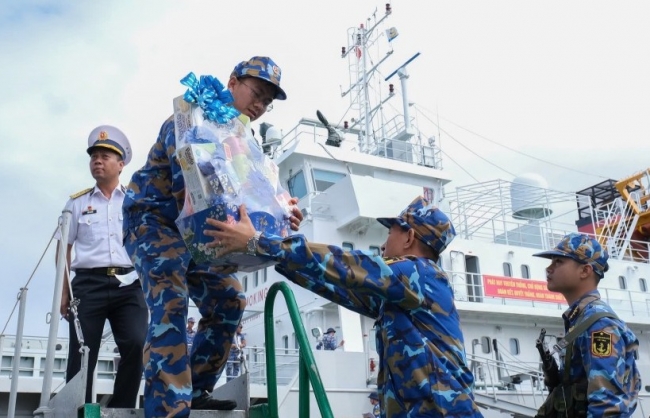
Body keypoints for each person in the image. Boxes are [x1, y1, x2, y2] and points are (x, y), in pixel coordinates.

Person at [122, 56, 302, 417]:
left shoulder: (244, 140)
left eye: (267, 101)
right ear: (233, 81)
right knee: (170, 295)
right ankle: (168, 409)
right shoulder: (191, 118)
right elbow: (189, 189)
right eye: (258, 93)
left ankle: (198, 389)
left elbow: (252, 194)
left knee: (230, 300)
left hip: (202, 232)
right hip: (156, 221)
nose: (261, 105)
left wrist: (282, 211)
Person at [205, 196, 483, 417]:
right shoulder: (403, 292)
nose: (384, 244)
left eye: (391, 233)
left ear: (409, 237)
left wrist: (259, 242)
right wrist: (274, 251)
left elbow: (347, 264)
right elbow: (335, 285)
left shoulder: (419, 274)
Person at [56, 125, 148, 407]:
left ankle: (121, 408)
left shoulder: (136, 202)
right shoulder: (77, 203)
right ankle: (79, 409)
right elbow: (64, 249)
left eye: (105, 156)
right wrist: (63, 292)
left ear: (120, 165)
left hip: (129, 285)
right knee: (83, 352)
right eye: (94, 155)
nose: (97, 160)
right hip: (87, 285)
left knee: (135, 344)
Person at [532, 233, 641, 417]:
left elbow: (606, 407)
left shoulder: (599, 326)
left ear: (585, 271)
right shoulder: (581, 319)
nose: (549, 268)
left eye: (558, 262)